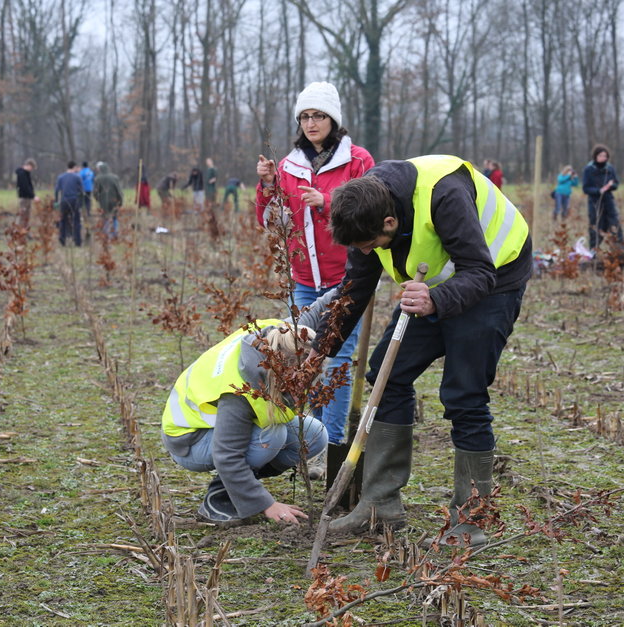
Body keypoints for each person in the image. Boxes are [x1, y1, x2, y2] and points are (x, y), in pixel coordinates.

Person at [309, 155, 531, 546]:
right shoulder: (363, 209)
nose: (365, 252)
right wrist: (319, 350)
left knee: (464, 395)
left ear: (389, 223)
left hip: (494, 279)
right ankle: (380, 506)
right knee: (387, 375)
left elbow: (480, 272)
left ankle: (471, 522)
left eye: (370, 245)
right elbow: (355, 289)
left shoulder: (444, 195)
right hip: (431, 286)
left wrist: (435, 302)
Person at [256, 81, 375, 477]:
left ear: (333, 120)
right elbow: (272, 222)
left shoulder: (357, 162)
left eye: (318, 115)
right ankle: (311, 440)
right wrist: (268, 186)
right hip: (305, 279)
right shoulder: (289, 165)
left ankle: (332, 446)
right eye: (305, 116)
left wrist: (329, 204)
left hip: (348, 276)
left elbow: (372, 215)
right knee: (307, 357)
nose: (311, 123)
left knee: (337, 358)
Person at [160, 303, 330, 525]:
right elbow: (227, 455)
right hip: (189, 440)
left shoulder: (284, 337)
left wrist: (360, 281)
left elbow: (322, 307)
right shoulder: (238, 391)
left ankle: (240, 487)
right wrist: (266, 504)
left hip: (216, 430)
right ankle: (218, 498)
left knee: (314, 435)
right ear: (280, 373)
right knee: (270, 436)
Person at [582, 144, 624, 250]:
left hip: (608, 200)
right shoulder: (589, 169)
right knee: (596, 226)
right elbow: (586, 188)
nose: (603, 158)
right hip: (594, 202)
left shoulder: (610, 168)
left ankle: (619, 250)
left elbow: (616, 183)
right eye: (601, 155)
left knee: (614, 224)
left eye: (605, 156)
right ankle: (594, 251)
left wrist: (610, 186)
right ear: (595, 156)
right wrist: (598, 191)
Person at [55, 161, 83, 246]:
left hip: (64, 201)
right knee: (76, 221)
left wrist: (56, 201)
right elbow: (82, 191)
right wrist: (81, 203)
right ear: (74, 167)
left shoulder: (60, 177)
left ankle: (62, 240)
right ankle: (77, 241)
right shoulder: (77, 177)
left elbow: (56, 190)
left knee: (63, 221)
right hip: (74, 201)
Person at [93, 162, 123, 239]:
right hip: (114, 200)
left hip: (103, 201)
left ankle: (106, 234)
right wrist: (120, 201)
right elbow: (119, 191)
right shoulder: (115, 177)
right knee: (114, 216)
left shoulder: (97, 178)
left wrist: (98, 199)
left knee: (105, 217)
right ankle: (114, 233)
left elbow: (95, 192)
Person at [15, 159, 37, 228]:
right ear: (28, 165)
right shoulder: (22, 174)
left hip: (28, 197)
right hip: (24, 198)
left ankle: (24, 231)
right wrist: (33, 196)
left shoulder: (26, 173)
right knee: (22, 215)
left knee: (27, 216)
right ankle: (18, 231)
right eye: (32, 168)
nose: (32, 169)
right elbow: (25, 187)